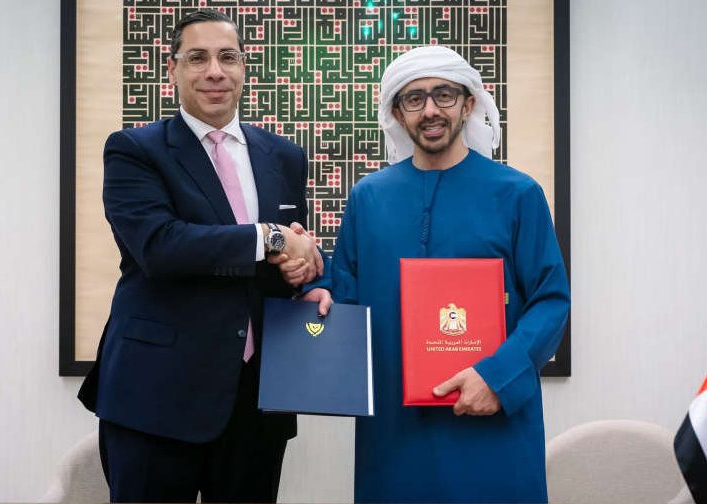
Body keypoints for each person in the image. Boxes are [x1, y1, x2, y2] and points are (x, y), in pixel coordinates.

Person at [302, 45, 571, 503]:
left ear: (468, 104)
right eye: (414, 98)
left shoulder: (518, 194)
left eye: (444, 95)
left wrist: (497, 377)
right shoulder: (368, 198)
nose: (430, 110)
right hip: (395, 432)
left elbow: (550, 300)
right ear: (397, 113)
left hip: (493, 421)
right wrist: (314, 281)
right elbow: (344, 290)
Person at [77, 10, 323, 503]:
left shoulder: (285, 156)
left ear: (244, 67)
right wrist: (272, 238)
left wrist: (308, 274)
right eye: (197, 58)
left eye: (227, 57)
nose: (215, 71)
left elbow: (291, 248)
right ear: (173, 69)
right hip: (156, 397)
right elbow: (161, 246)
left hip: (257, 401)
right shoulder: (134, 150)